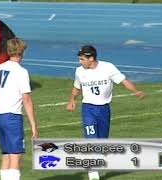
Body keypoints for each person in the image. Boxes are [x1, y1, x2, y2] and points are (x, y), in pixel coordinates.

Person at [66, 45, 145, 180]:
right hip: (88, 109)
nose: (80, 61)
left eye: (82, 59)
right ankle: (93, 173)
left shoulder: (108, 68)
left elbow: (123, 80)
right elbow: (76, 86)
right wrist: (72, 99)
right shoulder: (79, 71)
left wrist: (136, 91)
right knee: (91, 140)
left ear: (91, 58)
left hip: (104, 109)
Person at [0, 37, 39, 180]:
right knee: (16, 156)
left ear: (8, 51)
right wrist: (34, 125)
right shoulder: (21, 72)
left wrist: (3, 101)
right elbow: (27, 99)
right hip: (12, 117)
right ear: (22, 52)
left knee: (6, 155)